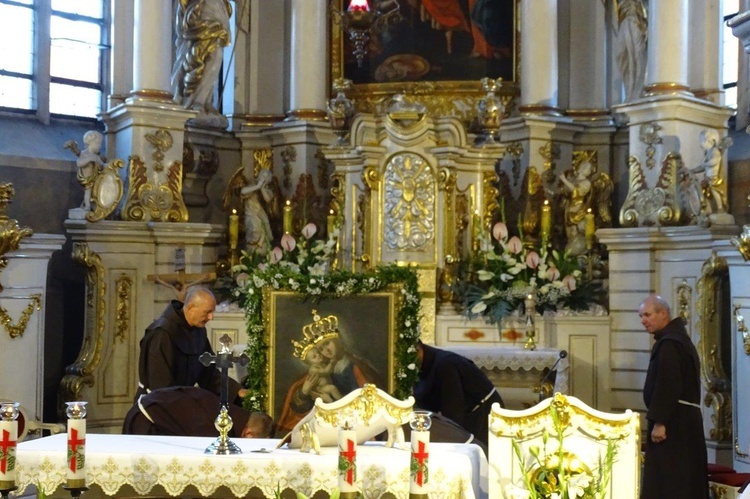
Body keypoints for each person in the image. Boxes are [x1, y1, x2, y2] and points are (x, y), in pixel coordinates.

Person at [639, 295, 708, 499]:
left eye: (647, 314)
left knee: (671, 481)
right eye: (641, 316)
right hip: (680, 420)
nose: (643, 320)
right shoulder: (676, 340)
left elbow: (668, 383)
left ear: (663, 314)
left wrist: (660, 421)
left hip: (674, 425)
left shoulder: (670, 344)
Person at [136, 287, 245, 402]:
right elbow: (160, 385)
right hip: (157, 407)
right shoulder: (162, 334)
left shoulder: (198, 330)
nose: (211, 317)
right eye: (207, 312)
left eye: (212, 312)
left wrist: (236, 391)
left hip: (180, 403)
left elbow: (208, 373)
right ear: (191, 307)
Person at [277, 335, 383, 435]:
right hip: (326, 428)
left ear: (337, 341)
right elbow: (298, 404)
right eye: (321, 349)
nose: (326, 351)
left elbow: (370, 400)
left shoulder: (357, 366)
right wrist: (304, 392)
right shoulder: (321, 367)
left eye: (327, 343)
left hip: (354, 425)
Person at [413, 341, 504, 448]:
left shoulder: (445, 364)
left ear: (418, 349)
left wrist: (453, 438)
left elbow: (453, 407)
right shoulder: (430, 363)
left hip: (483, 415)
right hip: (468, 414)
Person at [123, 386, 273, 438]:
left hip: (149, 408)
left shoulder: (230, 413)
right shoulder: (218, 426)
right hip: (146, 419)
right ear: (248, 433)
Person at [171, 0, 232, 116]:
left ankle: (204, 101)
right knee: (194, 59)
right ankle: (194, 101)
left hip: (216, 14)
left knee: (216, 58)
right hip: (201, 18)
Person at [240, 169, 274, 254]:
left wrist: (261, 188)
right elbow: (243, 191)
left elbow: (267, 199)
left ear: (269, 180)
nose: (263, 178)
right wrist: (257, 187)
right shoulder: (251, 187)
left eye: (266, 177)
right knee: (254, 230)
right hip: (251, 214)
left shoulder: (268, 191)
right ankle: (252, 250)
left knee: (263, 230)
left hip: (260, 213)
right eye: (262, 176)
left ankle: (262, 249)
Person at [76, 130, 105, 212]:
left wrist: (111, 166)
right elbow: (79, 163)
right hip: (86, 178)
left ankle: (91, 205)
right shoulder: (84, 154)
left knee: (95, 192)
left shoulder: (96, 156)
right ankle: (87, 206)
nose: (99, 146)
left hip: (95, 178)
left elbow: (102, 165)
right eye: (98, 143)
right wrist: (88, 159)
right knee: (88, 192)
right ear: (90, 143)